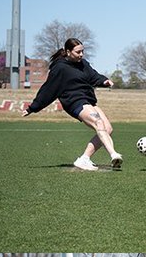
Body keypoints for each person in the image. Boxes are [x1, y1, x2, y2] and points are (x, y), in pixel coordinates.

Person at [23, 38, 123, 171]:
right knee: (98, 123)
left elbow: (93, 76)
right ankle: (114, 154)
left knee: (108, 129)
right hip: (73, 102)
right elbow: (48, 90)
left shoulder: (83, 64)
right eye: (78, 52)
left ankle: (84, 159)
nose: (81, 54)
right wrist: (33, 108)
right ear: (68, 52)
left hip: (88, 100)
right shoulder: (60, 68)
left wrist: (104, 81)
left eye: (82, 51)